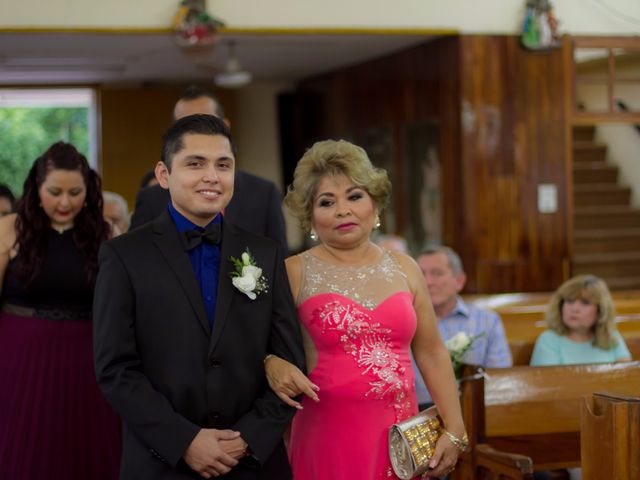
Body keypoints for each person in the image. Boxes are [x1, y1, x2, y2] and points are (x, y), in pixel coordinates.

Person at [93, 114, 306, 480]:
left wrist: (247, 439)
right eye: (195, 163)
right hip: (162, 460)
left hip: (251, 463)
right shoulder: (123, 256)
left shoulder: (265, 252)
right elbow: (115, 369)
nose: (212, 176)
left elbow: (290, 361)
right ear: (164, 175)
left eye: (223, 165)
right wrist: (184, 441)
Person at [263, 140, 466, 479]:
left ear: (375, 204)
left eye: (354, 196)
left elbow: (431, 351)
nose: (343, 210)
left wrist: (455, 427)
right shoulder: (292, 272)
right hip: (326, 434)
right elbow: (258, 345)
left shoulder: (406, 268)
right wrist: (270, 361)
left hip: (400, 435)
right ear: (310, 216)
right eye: (327, 202)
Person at [0, 142, 120, 480]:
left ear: (89, 190)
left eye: (74, 192)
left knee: (91, 447)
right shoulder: (10, 229)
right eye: (54, 192)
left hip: (90, 358)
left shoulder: (106, 233)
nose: (65, 202)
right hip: (19, 357)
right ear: (37, 189)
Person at [129, 86, 288, 253]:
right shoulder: (150, 198)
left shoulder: (263, 192)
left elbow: (278, 259)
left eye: (207, 123)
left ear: (225, 125)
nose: (198, 132)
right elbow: (135, 257)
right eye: (186, 126)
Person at [413, 246, 512, 405]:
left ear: (459, 281)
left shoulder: (487, 321)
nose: (428, 282)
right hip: (416, 415)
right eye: (421, 274)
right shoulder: (406, 323)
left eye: (437, 273)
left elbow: (499, 378)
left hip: (472, 408)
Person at [530, 274, 631, 366]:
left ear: (601, 310)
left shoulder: (611, 337)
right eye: (569, 301)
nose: (574, 309)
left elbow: (626, 377)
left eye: (585, 303)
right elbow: (547, 383)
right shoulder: (548, 340)